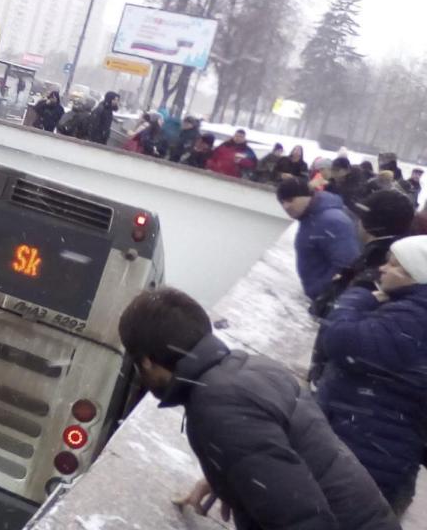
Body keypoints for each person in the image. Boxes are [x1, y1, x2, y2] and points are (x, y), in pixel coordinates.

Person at [118, 287, 400, 530]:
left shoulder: (217, 407)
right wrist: (230, 476)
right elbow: (285, 452)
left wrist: (243, 471)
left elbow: (303, 520)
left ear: (146, 362)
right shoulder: (252, 367)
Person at [315, 235, 427, 517]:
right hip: (372, 454)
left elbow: (341, 340)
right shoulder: (410, 309)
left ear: (418, 275)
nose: (382, 269)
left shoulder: (415, 317)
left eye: (395, 265)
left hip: (364, 460)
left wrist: (359, 294)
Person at [308, 189, 415, 380]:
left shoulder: (377, 270)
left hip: (338, 378)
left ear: (368, 224)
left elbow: (336, 324)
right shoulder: (397, 259)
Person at [277, 178, 361, 301]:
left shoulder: (330, 221)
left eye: (290, 200)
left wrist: (321, 293)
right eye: (282, 202)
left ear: (306, 196)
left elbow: (347, 264)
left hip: (329, 300)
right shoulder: (311, 218)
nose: (286, 206)